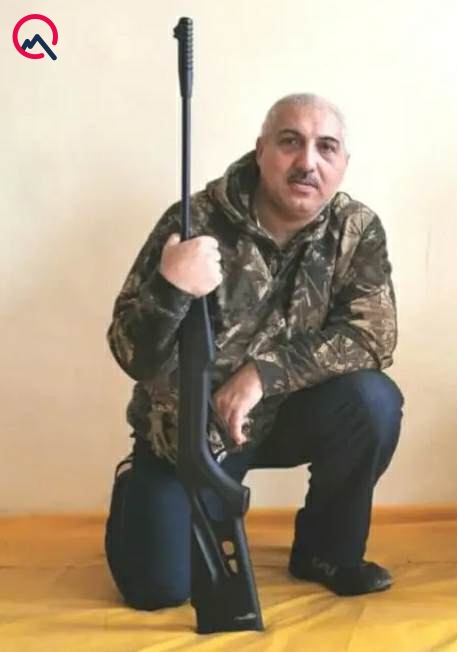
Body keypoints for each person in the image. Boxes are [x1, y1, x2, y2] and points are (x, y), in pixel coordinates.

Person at [105, 93, 404, 611]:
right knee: (159, 591)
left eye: (326, 147)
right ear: (261, 150)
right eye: (290, 142)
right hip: (190, 434)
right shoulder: (192, 220)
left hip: (287, 417)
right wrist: (170, 287)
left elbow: (372, 335)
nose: (307, 162)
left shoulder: (355, 229)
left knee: (373, 402)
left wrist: (264, 374)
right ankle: (139, 484)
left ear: (343, 163)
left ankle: (326, 552)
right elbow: (131, 353)